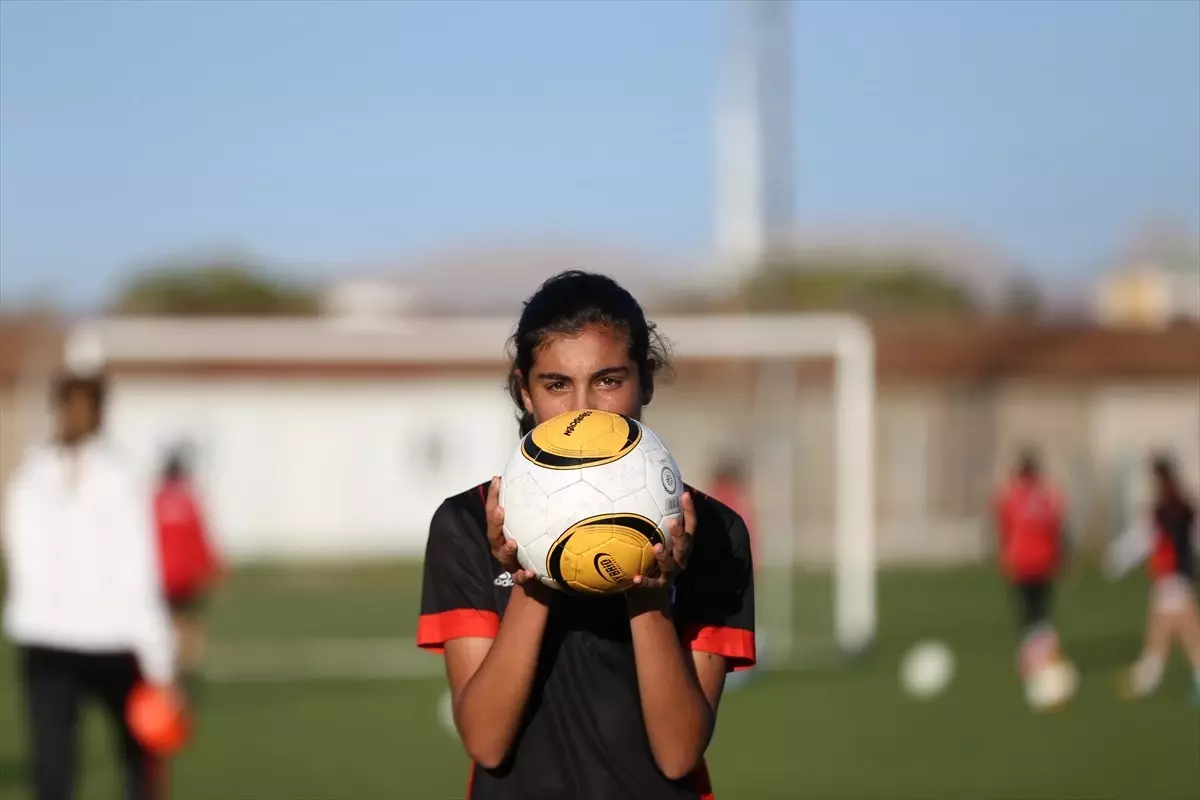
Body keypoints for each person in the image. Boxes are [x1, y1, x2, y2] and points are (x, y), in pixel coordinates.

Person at [417, 271, 755, 800]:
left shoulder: (708, 529)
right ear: (524, 392)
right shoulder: (466, 524)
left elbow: (679, 753)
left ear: (644, 382)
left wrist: (649, 593)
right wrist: (530, 574)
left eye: (607, 380)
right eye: (556, 385)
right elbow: (485, 742)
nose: (582, 409)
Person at [2, 371, 179, 800]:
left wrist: (157, 659)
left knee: (135, 756)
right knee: (56, 764)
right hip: (64, 637)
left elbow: (135, 570)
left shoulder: (112, 474)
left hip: (101, 638)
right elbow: (136, 569)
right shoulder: (36, 475)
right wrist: (160, 660)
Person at [1122, 454, 1200, 703]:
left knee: (1179, 630)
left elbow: (1141, 541)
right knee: (1170, 629)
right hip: (1182, 576)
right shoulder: (1186, 506)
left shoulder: (1162, 510)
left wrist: (1114, 564)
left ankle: (1148, 677)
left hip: (1169, 577)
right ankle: (1149, 675)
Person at [993, 447, 1067, 681]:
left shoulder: (1011, 494)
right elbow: (1057, 528)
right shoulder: (1048, 494)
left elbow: (1004, 526)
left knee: (1029, 614)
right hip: (1043, 560)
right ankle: (1042, 657)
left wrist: (1004, 555)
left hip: (1023, 561)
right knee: (1041, 613)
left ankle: (1033, 660)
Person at [154, 445, 221, 696]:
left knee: (167, 624)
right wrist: (212, 568)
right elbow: (200, 538)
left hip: (161, 575)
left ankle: (167, 671)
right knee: (190, 625)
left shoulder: (154, 500)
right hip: (185, 576)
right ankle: (183, 670)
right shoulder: (189, 501)